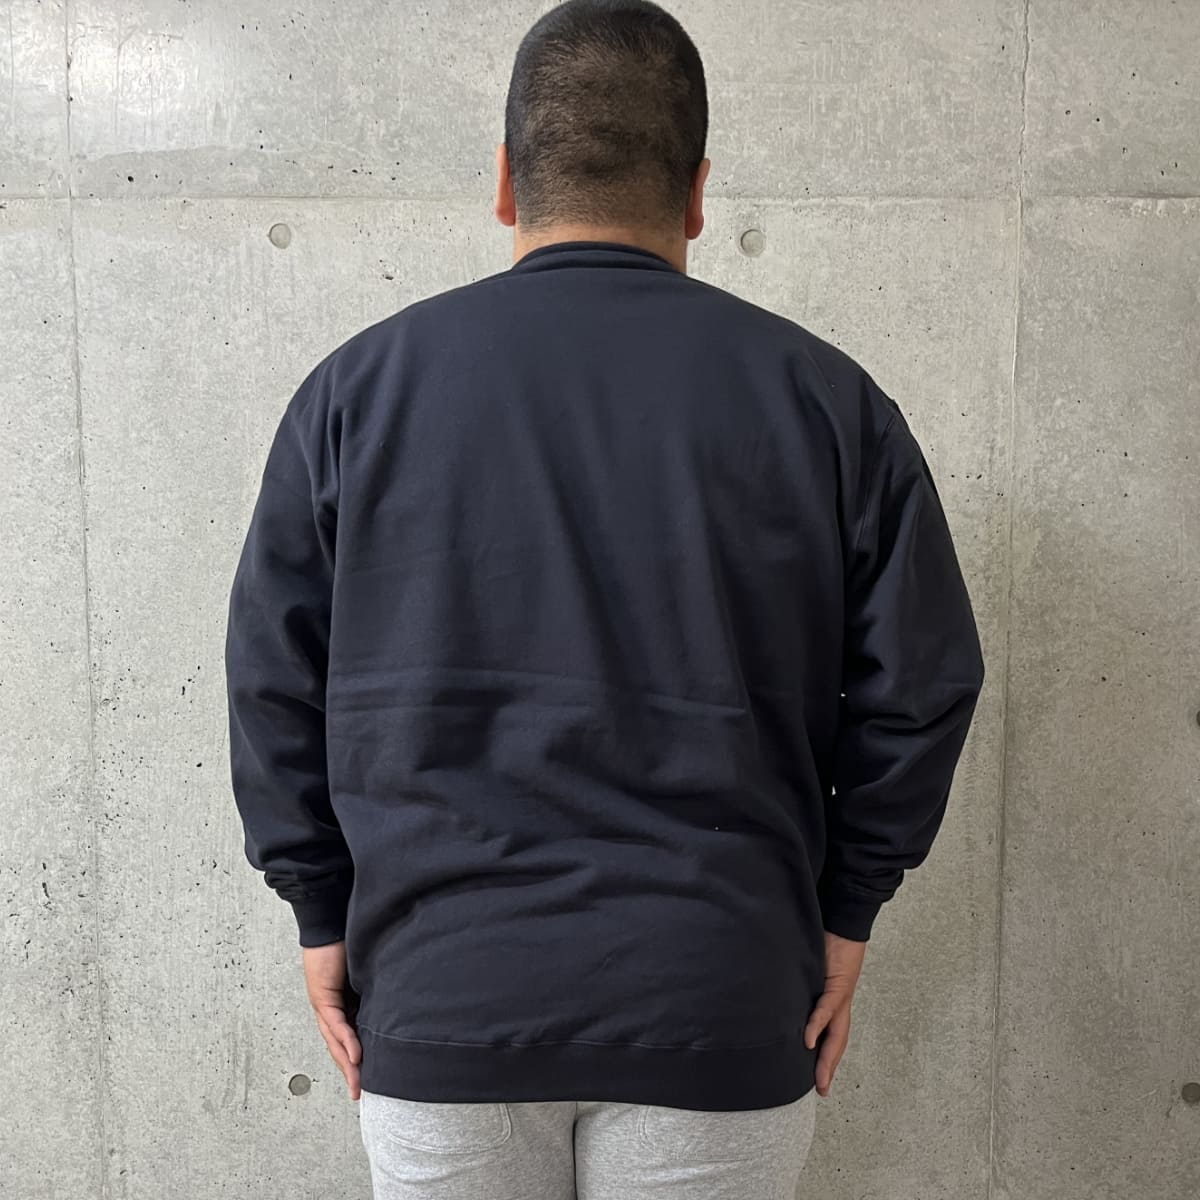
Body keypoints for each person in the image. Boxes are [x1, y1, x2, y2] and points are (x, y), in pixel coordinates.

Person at [223, 1, 985, 1196]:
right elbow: (923, 685)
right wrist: (849, 909)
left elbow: (274, 682)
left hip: (442, 992)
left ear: (503, 182)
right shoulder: (828, 404)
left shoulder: (355, 397)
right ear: (698, 192)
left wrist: (321, 912)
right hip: (722, 992)